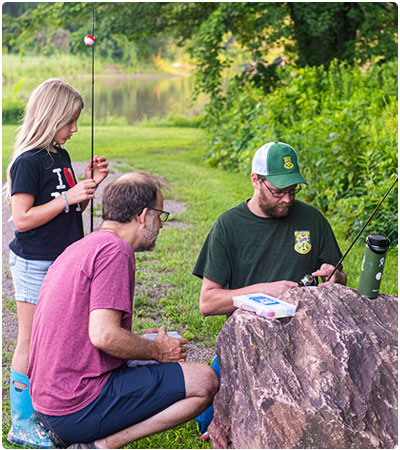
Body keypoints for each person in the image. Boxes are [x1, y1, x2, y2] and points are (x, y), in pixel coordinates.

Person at [27, 172, 219, 449]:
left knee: (154, 355)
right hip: (74, 406)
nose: (160, 226)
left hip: (48, 402)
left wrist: (143, 341)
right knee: (205, 381)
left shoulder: (82, 246)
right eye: (159, 216)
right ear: (143, 215)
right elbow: (104, 336)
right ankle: (100, 445)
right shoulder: (115, 250)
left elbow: (87, 331)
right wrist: (159, 351)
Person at [192, 141, 347, 438]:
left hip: (306, 335)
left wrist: (335, 276)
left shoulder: (312, 219)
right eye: (278, 191)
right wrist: (262, 290)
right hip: (248, 339)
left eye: (293, 190)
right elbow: (208, 303)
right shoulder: (228, 227)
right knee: (207, 417)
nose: (287, 199)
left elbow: (339, 278)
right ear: (255, 180)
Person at [5, 78, 109, 448]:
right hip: (35, 263)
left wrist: (88, 185)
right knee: (31, 341)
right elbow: (22, 219)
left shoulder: (60, 156)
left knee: (63, 337)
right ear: (51, 118)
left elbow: (67, 208)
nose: (76, 129)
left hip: (63, 260)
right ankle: (21, 422)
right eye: (70, 121)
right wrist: (69, 199)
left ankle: (60, 405)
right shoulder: (28, 161)